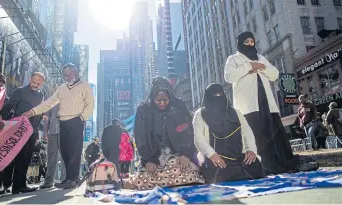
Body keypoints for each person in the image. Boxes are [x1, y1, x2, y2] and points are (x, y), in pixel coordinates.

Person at [224, 31, 318, 175]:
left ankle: (287, 164)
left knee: (276, 136)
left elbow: (274, 74)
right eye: (246, 42)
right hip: (249, 107)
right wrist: (250, 66)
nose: (250, 44)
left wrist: (260, 67)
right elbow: (229, 77)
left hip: (267, 104)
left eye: (252, 41)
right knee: (256, 138)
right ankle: (264, 168)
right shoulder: (234, 59)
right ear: (240, 43)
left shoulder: (261, 57)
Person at [24, 63, 94, 189]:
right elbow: (50, 102)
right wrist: (32, 111)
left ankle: (72, 180)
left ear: (75, 72)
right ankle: (69, 179)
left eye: (68, 74)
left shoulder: (85, 86)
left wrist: (81, 118)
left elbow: (90, 105)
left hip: (76, 121)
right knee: (65, 151)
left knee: (74, 151)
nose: (67, 77)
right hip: (63, 122)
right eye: (65, 75)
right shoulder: (62, 88)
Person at [131, 77, 204, 190]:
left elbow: (188, 132)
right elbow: (141, 137)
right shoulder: (144, 110)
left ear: (170, 96)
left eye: (165, 100)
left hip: (177, 155)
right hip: (153, 157)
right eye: (158, 100)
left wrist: (185, 154)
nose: (162, 103)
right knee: (143, 180)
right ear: (152, 97)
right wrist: (148, 160)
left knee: (188, 174)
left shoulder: (179, 106)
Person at [193, 83, 263, 183]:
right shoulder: (200, 114)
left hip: (238, 156)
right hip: (216, 158)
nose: (218, 98)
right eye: (214, 95)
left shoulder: (235, 112)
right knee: (219, 176)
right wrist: (211, 154)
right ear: (208, 97)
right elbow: (198, 138)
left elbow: (246, 131)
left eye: (220, 94)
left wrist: (251, 149)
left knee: (255, 166)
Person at [0, 72, 45, 194]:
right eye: (34, 82)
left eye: (38, 83)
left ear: (42, 84)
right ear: (30, 79)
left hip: (32, 131)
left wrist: (37, 134)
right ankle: (10, 185)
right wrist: (4, 124)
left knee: (26, 158)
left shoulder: (41, 95)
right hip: (19, 129)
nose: (35, 85)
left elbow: (39, 114)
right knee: (16, 157)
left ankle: (20, 185)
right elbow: (8, 107)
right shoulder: (19, 91)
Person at [40, 105, 66, 189]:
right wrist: (45, 132)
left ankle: (64, 180)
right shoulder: (51, 102)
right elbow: (46, 119)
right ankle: (48, 182)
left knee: (64, 158)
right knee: (51, 158)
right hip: (52, 133)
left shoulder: (68, 100)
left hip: (64, 133)